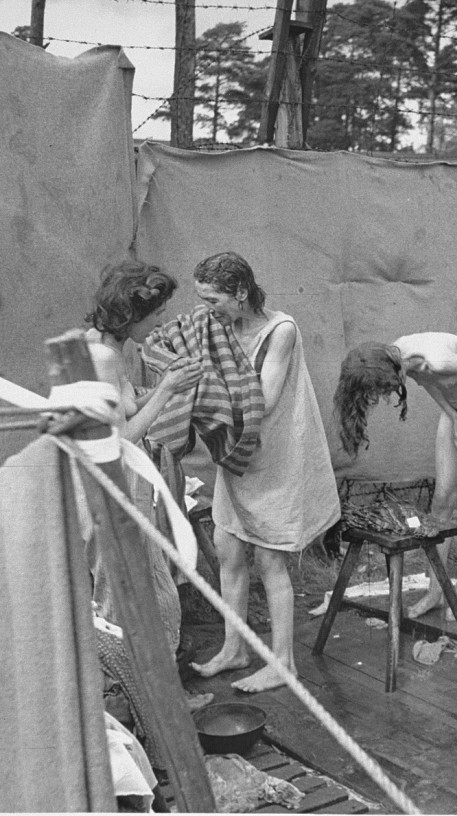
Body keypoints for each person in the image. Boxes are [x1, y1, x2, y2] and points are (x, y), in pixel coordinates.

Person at [189, 252, 340, 693]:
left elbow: (266, 399)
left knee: (270, 557)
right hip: (237, 455)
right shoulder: (218, 325)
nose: (207, 308)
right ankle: (235, 648)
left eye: (213, 298)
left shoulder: (281, 331)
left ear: (240, 293)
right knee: (228, 549)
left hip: (275, 456)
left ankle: (283, 663)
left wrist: (199, 391)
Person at [335, 333, 457, 619]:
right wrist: (453, 416)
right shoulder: (401, 354)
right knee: (440, 501)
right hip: (455, 411)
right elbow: (429, 384)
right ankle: (436, 591)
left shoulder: (437, 359)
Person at [84, 261, 203, 654]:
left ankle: (146, 700)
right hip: (110, 486)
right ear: (130, 313)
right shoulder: (101, 357)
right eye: (155, 314)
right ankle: (142, 702)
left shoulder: (111, 346)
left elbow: (129, 406)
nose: (160, 321)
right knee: (131, 595)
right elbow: (119, 441)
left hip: (118, 483)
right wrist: (168, 389)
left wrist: (174, 380)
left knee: (148, 586)